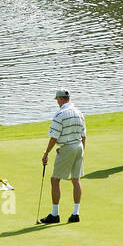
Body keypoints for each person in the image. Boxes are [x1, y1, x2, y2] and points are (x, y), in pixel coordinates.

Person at [39, 90, 86, 224]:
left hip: (67, 147)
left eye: (57, 100)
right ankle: (75, 214)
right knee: (76, 179)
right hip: (79, 147)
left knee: (55, 180)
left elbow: (54, 137)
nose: (57, 102)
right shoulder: (79, 113)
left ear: (61, 99)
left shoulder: (60, 114)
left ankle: (55, 215)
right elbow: (84, 135)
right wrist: (83, 152)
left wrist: (46, 153)